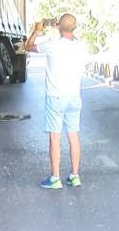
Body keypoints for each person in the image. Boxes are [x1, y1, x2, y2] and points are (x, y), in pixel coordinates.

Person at [25, 14, 90, 190]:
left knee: (55, 137)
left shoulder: (52, 45)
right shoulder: (81, 46)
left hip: (56, 97)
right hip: (74, 97)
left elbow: (28, 46)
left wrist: (37, 31)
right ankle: (74, 176)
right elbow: (70, 34)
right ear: (74, 28)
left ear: (58, 27)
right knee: (73, 136)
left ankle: (55, 178)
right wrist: (64, 27)